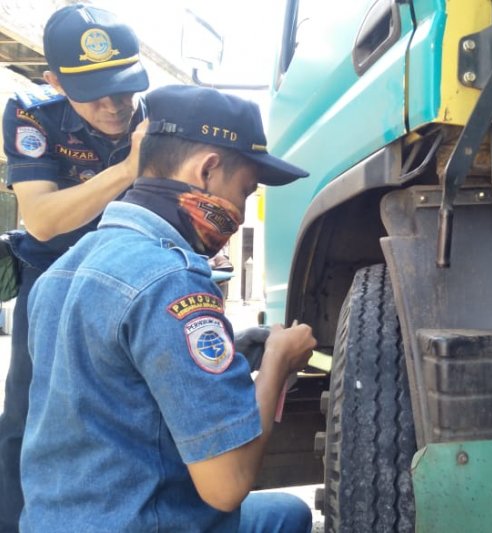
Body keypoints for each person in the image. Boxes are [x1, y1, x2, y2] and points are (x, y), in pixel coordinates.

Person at [22, 84, 316, 532]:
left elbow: (113, 378)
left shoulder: (63, 269)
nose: (240, 210)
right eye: (245, 190)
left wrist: (235, 350)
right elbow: (227, 484)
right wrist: (278, 362)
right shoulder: (172, 280)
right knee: (288, 517)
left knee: (283, 513)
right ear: (208, 170)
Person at [0, 4, 148, 529]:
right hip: (52, 279)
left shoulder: (156, 113)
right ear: (55, 82)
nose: (115, 104)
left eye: (125, 86)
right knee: (30, 412)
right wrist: (130, 168)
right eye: (94, 91)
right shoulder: (30, 112)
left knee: (133, 408)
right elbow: (41, 220)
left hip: (132, 278)